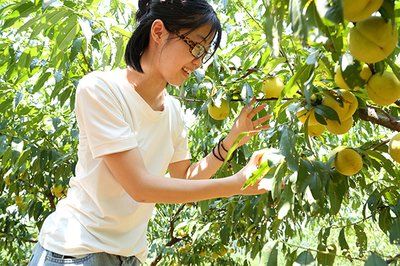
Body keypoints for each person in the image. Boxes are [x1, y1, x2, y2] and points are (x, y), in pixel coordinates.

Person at [28, 0, 271, 265]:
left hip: (130, 256)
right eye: (196, 46)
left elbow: (186, 180)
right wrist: (236, 184)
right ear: (158, 32)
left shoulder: (174, 112)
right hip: (76, 250)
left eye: (205, 53)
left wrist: (234, 136)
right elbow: (139, 186)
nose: (198, 62)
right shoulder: (100, 89)